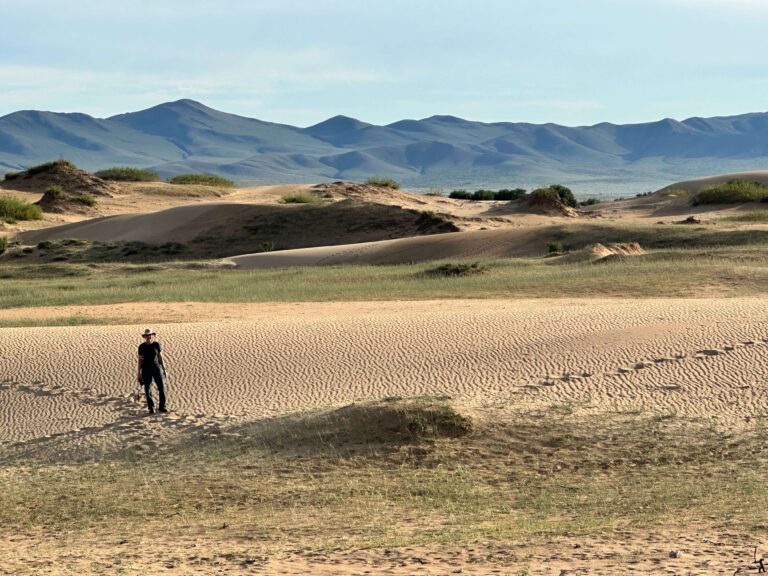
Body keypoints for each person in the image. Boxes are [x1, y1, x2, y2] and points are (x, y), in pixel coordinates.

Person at [137, 328, 167, 414]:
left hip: (156, 368)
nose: (149, 336)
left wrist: (164, 369)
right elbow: (139, 360)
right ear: (144, 337)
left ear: (152, 335)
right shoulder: (141, 347)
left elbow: (160, 357)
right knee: (147, 388)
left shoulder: (156, 345)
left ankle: (162, 406)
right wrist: (138, 373)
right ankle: (151, 408)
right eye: (147, 335)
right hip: (146, 369)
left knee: (161, 387)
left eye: (150, 335)